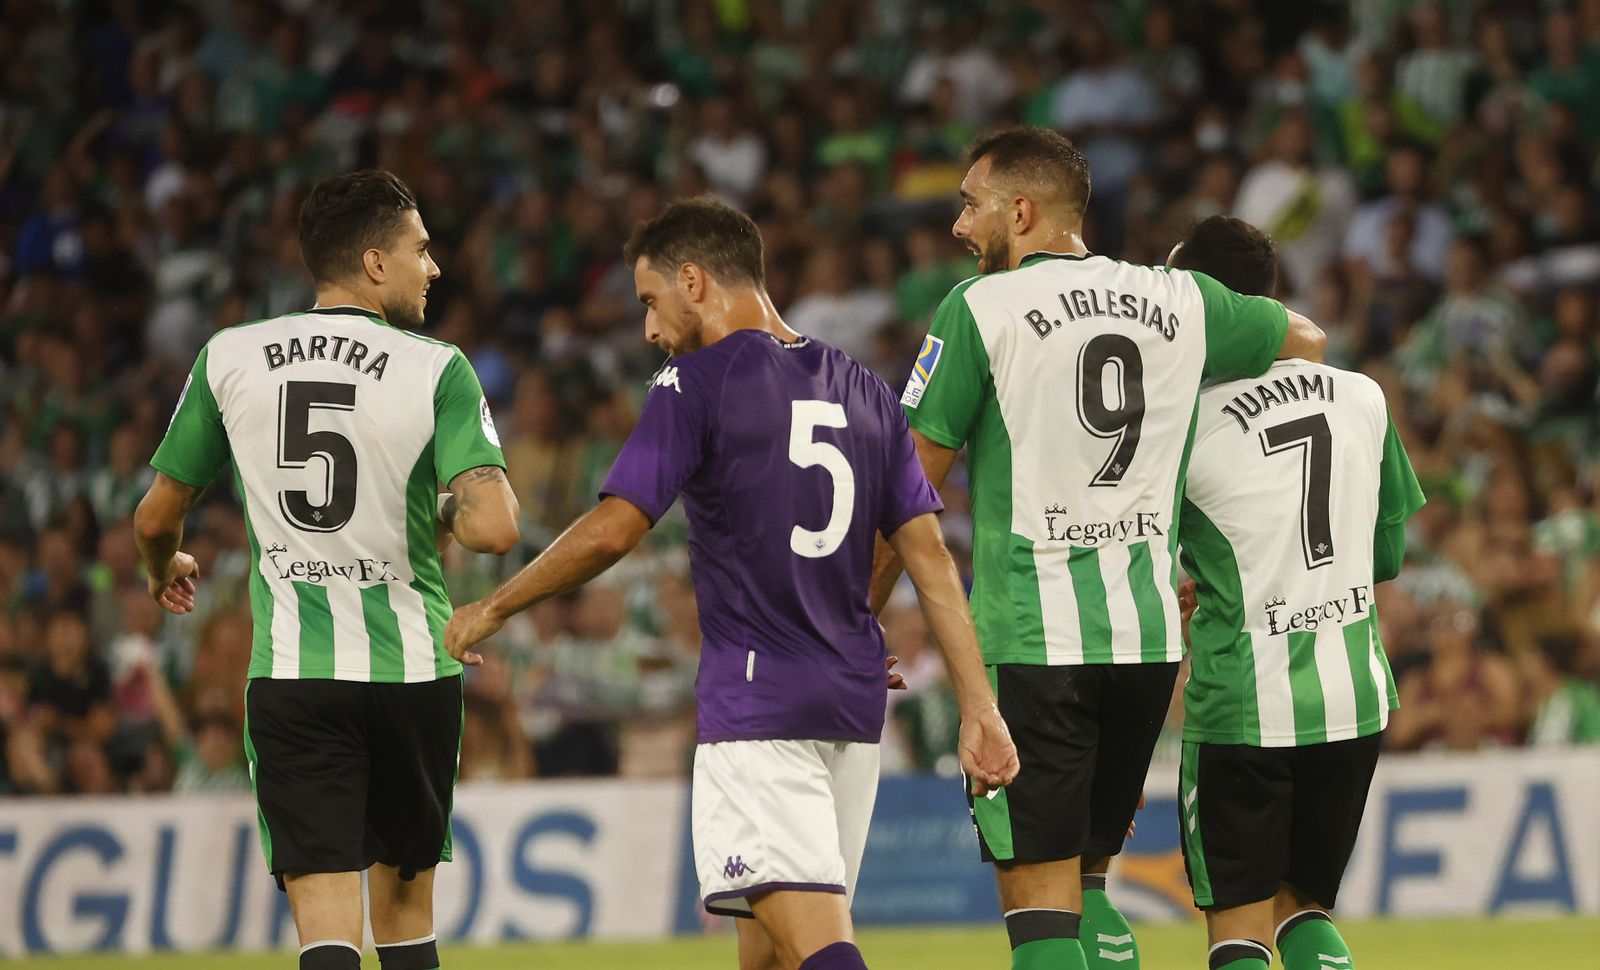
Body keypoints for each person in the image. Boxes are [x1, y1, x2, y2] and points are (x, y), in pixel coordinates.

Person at [444, 198, 1019, 970]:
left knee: (818, 949)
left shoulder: (695, 382)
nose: (649, 329)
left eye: (651, 301)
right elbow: (931, 561)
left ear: (694, 281)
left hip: (758, 704)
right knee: (770, 952)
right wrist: (979, 706)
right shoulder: (866, 389)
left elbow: (616, 528)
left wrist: (494, 606)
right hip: (850, 707)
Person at [871, 127, 1327, 970]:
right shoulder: (1178, 298)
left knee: (1041, 909)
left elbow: (907, 491)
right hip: (1144, 646)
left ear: (1021, 210)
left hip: (1036, 644)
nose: (959, 226)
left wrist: (854, 617)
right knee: (1086, 884)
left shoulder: (979, 308)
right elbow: (1304, 339)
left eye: (970, 205)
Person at [132, 169, 521, 970]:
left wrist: (162, 563)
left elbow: (153, 518)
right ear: (375, 262)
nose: (433, 267)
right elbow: (496, 528)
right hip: (414, 672)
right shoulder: (437, 367)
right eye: (420, 250)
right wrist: (439, 512)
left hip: (296, 678)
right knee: (406, 922)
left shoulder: (229, 356)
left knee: (327, 928)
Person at [1167, 215, 1426, 970]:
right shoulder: (1363, 395)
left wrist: (1210, 580)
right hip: (1353, 698)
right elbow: (1384, 554)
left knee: (1239, 926)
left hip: (1245, 703)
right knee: (1302, 906)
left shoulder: (1183, 422)